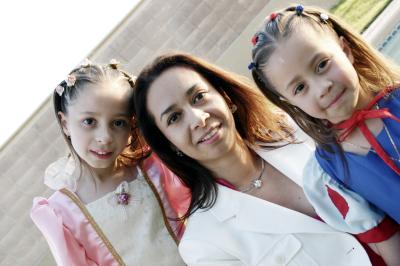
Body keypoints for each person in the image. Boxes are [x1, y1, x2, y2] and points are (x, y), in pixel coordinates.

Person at [134, 52, 398, 265]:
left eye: (199, 97)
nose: (198, 118)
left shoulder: (304, 129)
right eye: (174, 118)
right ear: (168, 143)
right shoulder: (204, 245)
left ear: (224, 96)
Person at [249, 4, 400, 265]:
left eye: (321, 65)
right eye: (299, 87)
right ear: (290, 102)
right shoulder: (329, 174)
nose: (322, 88)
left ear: (345, 50)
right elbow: (390, 244)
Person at [31, 59, 188, 265]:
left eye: (118, 123)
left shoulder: (154, 167)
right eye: (89, 121)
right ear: (65, 123)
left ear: (131, 125)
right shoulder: (62, 212)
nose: (104, 137)